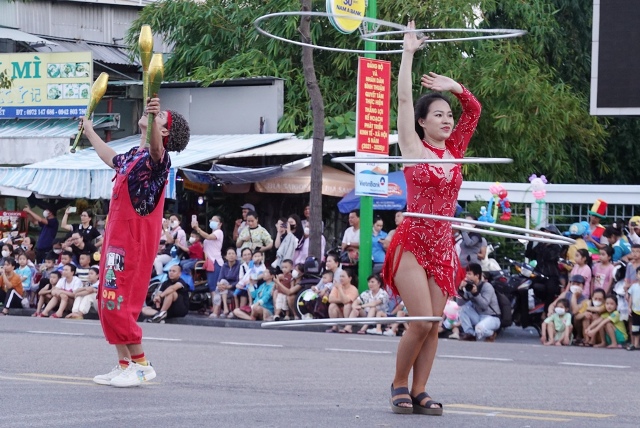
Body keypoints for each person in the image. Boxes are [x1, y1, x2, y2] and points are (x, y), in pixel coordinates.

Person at [382, 20, 481, 415]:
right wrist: (407, 55)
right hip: (413, 240)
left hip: (443, 245)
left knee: (435, 323)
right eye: (437, 114)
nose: (446, 119)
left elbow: (472, 110)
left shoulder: (455, 149)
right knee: (421, 320)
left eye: (447, 115)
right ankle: (397, 384)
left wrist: (454, 88)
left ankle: (420, 391)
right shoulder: (413, 147)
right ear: (423, 123)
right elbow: (405, 102)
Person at [80, 95, 190, 387]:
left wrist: (154, 120)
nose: (151, 114)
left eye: (159, 116)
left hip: (133, 242)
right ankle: (123, 363)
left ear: (164, 131)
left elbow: (156, 148)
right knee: (106, 301)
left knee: (119, 303)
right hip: (115, 240)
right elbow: (109, 157)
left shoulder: (160, 160)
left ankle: (141, 364)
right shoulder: (132, 155)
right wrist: (90, 131)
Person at [456, 263, 501, 342]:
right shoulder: (469, 286)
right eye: (466, 273)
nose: (466, 276)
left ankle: (491, 333)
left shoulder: (487, 286)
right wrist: (460, 290)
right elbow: (460, 304)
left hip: (492, 317)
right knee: (463, 309)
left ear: (477, 276)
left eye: (469, 274)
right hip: (479, 316)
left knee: (479, 329)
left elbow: (484, 305)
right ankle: (469, 334)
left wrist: (476, 293)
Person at [192, 215, 223, 290]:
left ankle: (216, 301)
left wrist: (197, 228)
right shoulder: (210, 235)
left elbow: (208, 237)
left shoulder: (219, 232)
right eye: (211, 220)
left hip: (215, 262)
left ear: (220, 224)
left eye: (215, 221)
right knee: (211, 286)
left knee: (214, 286)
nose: (212, 222)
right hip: (209, 262)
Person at [326, 269, 360, 334]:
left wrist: (340, 289)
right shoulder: (337, 287)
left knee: (347, 305)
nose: (341, 278)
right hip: (340, 314)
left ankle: (348, 326)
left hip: (350, 315)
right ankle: (334, 327)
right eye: (340, 276)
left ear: (350, 278)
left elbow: (346, 301)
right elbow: (330, 299)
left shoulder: (353, 289)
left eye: (343, 276)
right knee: (332, 305)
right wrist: (341, 299)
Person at [210, 247, 241, 318]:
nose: (231, 255)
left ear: (236, 256)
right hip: (224, 288)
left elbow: (238, 280)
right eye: (229, 254)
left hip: (233, 288)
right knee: (221, 283)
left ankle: (216, 311)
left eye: (233, 254)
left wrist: (229, 286)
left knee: (220, 287)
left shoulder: (239, 265)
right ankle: (225, 309)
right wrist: (219, 284)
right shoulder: (224, 266)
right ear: (226, 257)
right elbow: (219, 279)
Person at [625, 266, 640, 350]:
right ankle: (634, 344)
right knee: (635, 329)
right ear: (637, 275)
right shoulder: (634, 286)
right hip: (636, 311)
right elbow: (631, 297)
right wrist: (629, 307)